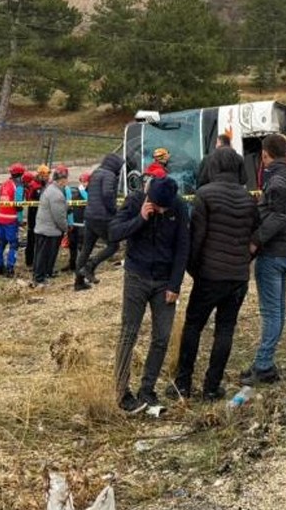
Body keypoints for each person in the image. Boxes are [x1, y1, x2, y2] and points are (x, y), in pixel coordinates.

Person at [172, 147, 258, 401]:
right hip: (238, 277)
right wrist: (244, 260)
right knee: (225, 330)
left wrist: (194, 270)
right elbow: (255, 236)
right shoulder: (248, 199)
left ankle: (183, 384)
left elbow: (196, 238)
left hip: (209, 275)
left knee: (193, 327)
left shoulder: (205, 195)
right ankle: (211, 387)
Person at [111, 176, 189, 413]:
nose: (162, 211)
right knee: (128, 333)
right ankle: (122, 392)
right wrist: (141, 219)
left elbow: (183, 246)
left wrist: (175, 284)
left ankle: (148, 389)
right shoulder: (135, 202)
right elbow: (114, 232)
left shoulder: (179, 206)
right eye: (158, 207)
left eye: (165, 208)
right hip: (136, 275)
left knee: (162, 337)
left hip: (165, 281)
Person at [244, 133, 286, 385]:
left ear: (266, 154)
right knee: (276, 311)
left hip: (274, 252)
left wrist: (255, 241)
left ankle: (264, 366)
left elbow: (278, 216)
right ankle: (263, 361)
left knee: (271, 313)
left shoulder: (277, 179)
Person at [76, 153, 123, 288]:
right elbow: (108, 194)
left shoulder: (96, 172)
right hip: (102, 217)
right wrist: (114, 210)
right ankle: (90, 266)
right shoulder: (109, 175)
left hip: (90, 215)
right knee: (114, 245)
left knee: (86, 249)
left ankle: (78, 282)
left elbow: (90, 190)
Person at [30, 166, 70, 286]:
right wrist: (66, 228)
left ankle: (41, 275)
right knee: (45, 255)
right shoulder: (56, 194)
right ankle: (40, 279)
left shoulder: (50, 188)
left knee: (40, 254)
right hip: (50, 230)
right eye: (66, 179)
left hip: (43, 228)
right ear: (62, 180)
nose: (67, 181)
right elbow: (59, 216)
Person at [0, 163, 26, 277]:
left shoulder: (4, 184)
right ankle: (10, 268)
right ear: (21, 173)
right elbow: (18, 205)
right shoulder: (19, 186)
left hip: (0, 217)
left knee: (0, 243)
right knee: (13, 244)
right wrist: (20, 219)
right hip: (11, 220)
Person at [23, 165, 48, 268]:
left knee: (37, 239)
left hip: (39, 215)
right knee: (32, 239)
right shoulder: (35, 186)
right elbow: (32, 201)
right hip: (34, 215)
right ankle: (30, 261)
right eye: (46, 175)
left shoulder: (42, 184)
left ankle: (35, 260)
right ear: (41, 174)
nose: (48, 177)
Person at [65, 172, 89, 279]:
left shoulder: (89, 192)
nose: (83, 184)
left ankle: (81, 266)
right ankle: (72, 264)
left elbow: (88, 200)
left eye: (85, 182)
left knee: (81, 246)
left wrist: (83, 190)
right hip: (73, 222)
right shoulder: (74, 192)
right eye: (82, 182)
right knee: (72, 245)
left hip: (83, 224)